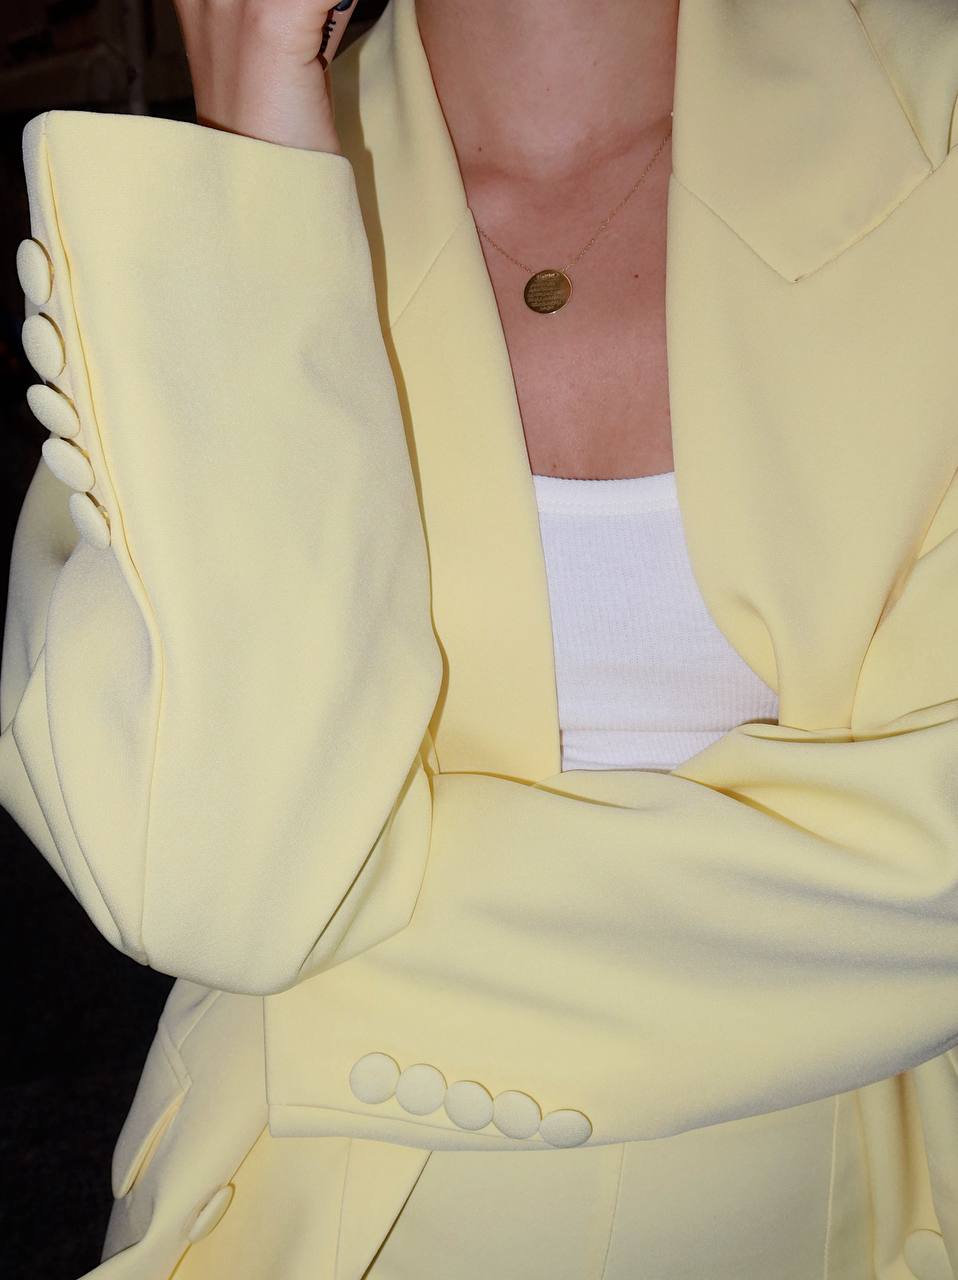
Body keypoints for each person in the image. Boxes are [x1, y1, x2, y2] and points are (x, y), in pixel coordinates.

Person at [3, 0, 958, 1276]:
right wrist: (251, 163)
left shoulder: (930, 123)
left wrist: (323, 971)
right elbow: (205, 879)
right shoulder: (203, 205)